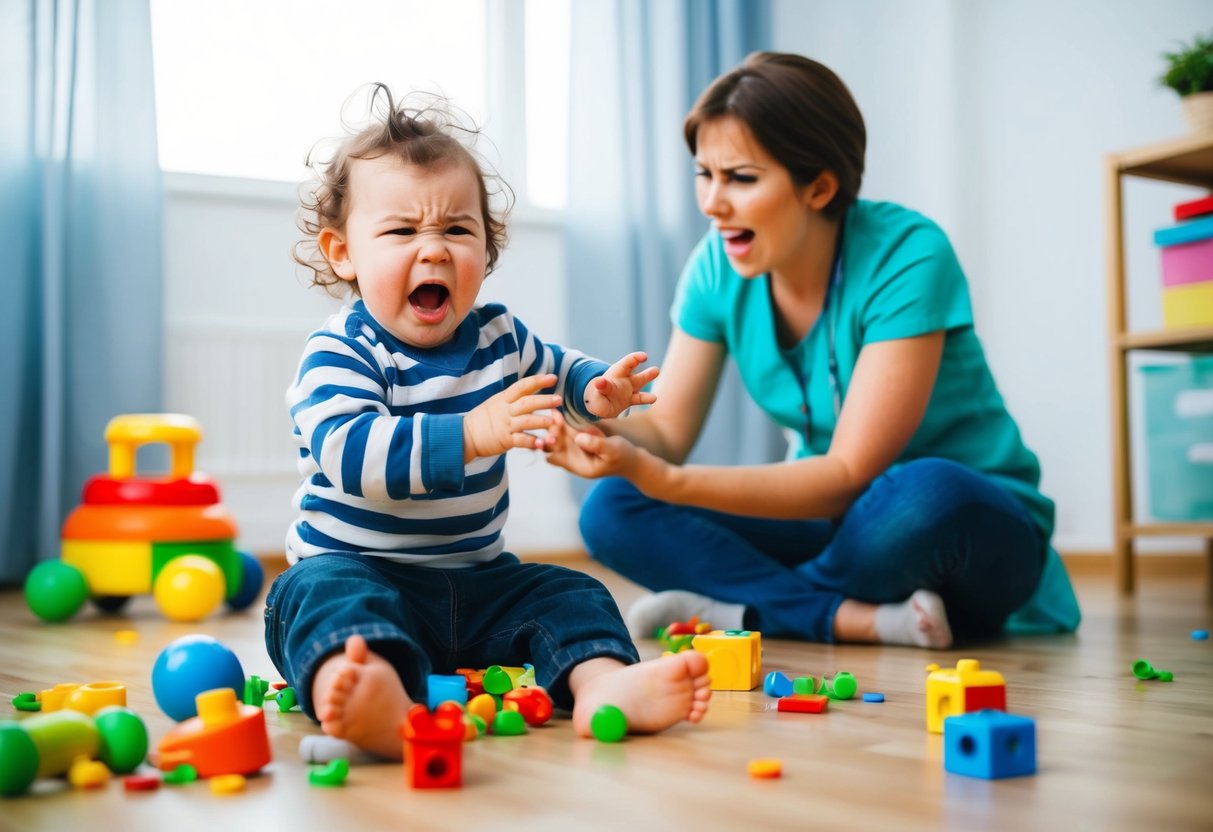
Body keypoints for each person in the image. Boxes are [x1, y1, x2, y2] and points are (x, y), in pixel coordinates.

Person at [544, 52, 1081, 649]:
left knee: (928, 492)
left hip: (954, 529)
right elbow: (666, 432)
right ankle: (842, 615)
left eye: (741, 177)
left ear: (820, 186)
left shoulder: (909, 254)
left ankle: (750, 608)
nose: (712, 203)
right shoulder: (715, 267)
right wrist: (589, 413)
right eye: (705, 174)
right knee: (613, 504)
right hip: (835, 529)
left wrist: (669, 481)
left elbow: (848, 474)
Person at [265, 84, 711, 760]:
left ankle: (602, 687)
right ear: (342, 253)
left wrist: (597, 392)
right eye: (401, 230)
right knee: (318, 596)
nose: (435, 250)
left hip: (477, 584)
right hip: (361, 570)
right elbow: (354, 456)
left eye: (456, 229)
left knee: (570, 590)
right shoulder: (340, 353)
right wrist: (474, 433)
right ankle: (366, 689)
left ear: (487, 248)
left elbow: (556, 373)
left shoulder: (499, 335)